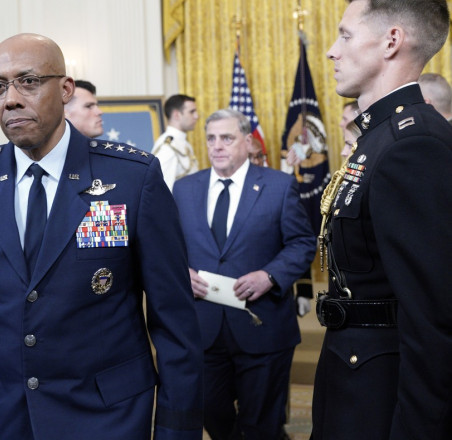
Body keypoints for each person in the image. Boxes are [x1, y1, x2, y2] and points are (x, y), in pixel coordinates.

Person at [0, 33, 204, 440]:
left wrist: (175, 431)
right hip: (13, 416)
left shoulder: (130, 177)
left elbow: (175, 323)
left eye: (29, 81)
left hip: (109, 415)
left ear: (65, 89)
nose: (11, 99)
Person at [313, 1, 452, 438]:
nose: (333, 51)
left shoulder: (414, 144)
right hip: (352, 377)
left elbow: (433, 322)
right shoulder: (379, 138)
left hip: (381, 395)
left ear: (392, 41)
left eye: (346, 35)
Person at [173, 108, 315, 439]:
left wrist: (270, 275)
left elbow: (302, 243)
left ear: (248, 142)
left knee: (261, 423)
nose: (217, 146)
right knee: (210, 412)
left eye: (227, 138)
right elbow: (167, 246)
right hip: (203, 329)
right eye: (211, 138)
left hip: (262, 326)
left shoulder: (279, 186)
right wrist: (181, 270)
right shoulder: (184, 189)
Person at [152, 94, 199, 191]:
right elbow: (163, 189)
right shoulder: (168, 147)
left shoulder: (182, 143)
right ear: (176, 115)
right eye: (192, 112)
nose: (197, 116)